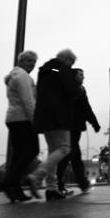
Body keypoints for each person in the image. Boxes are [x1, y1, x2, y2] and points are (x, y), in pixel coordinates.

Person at [28, 49, 80, 201]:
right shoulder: (62, 69)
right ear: (67, 60)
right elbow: (71, 90)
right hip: (58, 115)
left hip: (43, 115)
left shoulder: (44, 70)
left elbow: (37, 93)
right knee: (64, 148)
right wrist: (77, 86)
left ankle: (51, 188)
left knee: (53, 151)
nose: (71, 66)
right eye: (71, 63)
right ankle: (37, 175)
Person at [2, 49, 39, 203]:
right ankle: (8, 182)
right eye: (29, 60)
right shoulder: (22, 76)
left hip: (13, 118)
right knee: (32, 150)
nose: (32, 64)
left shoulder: (14, 75)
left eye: (34, 62)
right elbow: (28, 101)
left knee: (18, 155)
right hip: (23, 118)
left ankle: (15, 189)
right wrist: (35, 121)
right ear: (21, 61)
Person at [56, 68, 101, 194]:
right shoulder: (70, 89)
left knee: (66, 156)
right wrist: (94, 123)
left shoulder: (80, 89)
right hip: (68, 126)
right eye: (80, 74)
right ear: (74, 76)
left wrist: (94, 123)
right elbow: (83, 107)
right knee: (74, 155)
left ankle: (59, 184)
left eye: (83, 75)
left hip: (74, 127)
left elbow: (86, 107)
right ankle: (82, 183)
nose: (83, 77)